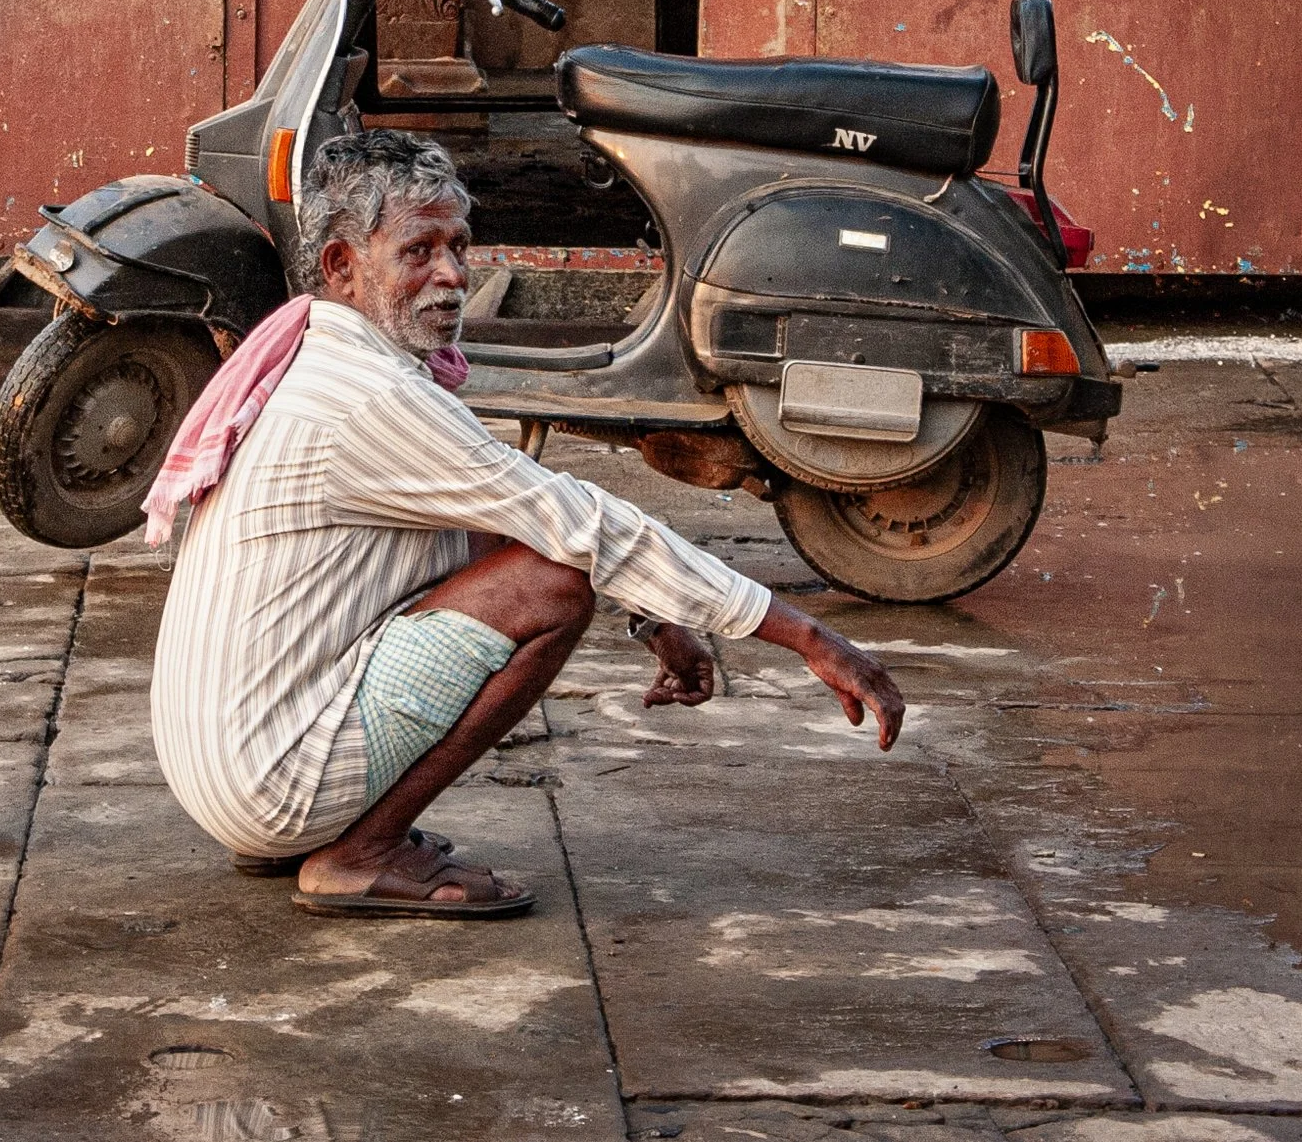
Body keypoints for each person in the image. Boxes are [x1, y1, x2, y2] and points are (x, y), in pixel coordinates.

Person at [148, 129, 907, 918]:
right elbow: (584, 526)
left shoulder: (320, 351)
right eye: (418, 251)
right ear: (342, 266)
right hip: (270, 777)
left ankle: (339, 831)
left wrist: (656, 615)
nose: (450, 275)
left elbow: (517, 511)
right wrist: (812, 638)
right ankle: (361, 853)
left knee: (510, 537)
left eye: (459, 246)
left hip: (229, 768)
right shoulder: (370, 397)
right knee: (555, 587)